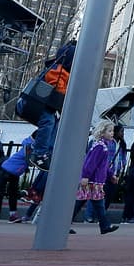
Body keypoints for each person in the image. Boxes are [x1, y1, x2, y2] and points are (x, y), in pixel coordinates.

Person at [26, 40, 76, 169]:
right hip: (38, 103)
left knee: (54, 123)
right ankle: (39, 153)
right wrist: (66, 93)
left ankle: (46, 150)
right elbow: (57, 87)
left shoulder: (64, 72)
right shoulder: (57, 70)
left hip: (45, 105)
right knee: (48, 122)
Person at [73, 120, 119, 235]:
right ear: (102, 132)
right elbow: (91, 163)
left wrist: (110, 175)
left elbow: (102, 165)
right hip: (93, 180)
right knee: (93, 203)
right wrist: (86, 176)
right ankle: (105, 226)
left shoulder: (101, 146)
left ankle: (105, 226)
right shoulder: (100, 146)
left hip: (95, 181)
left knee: (92, 203)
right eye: (109, 131)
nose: (112, 133)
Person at [0, 132, 34, 222]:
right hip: (9, 170)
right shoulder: (29, 146)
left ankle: (13, 214)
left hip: (14, 171)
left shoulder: (30, 145)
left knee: (12, 193)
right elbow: (29, 160)